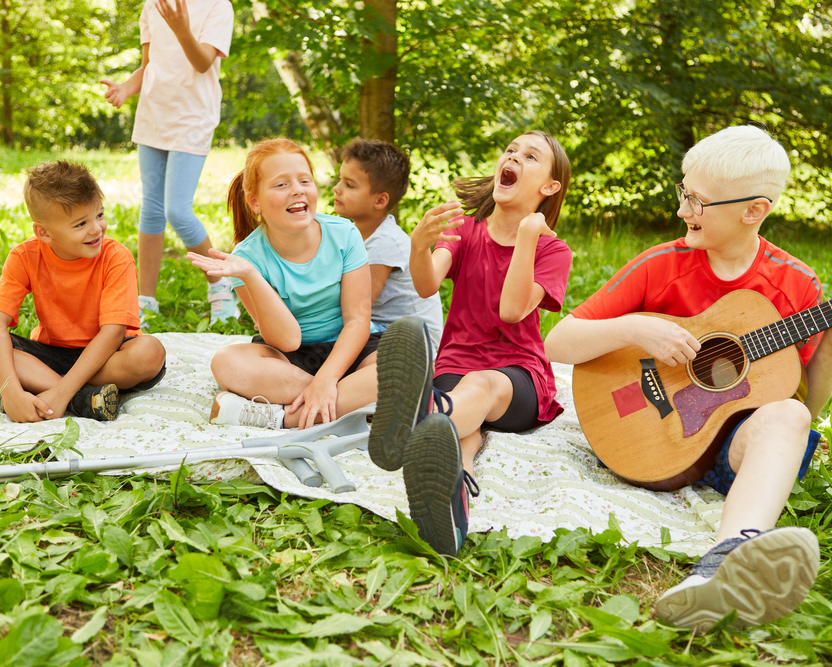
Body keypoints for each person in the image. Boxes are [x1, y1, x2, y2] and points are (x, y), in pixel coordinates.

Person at [544, 125, 832, 629]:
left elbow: (806, 408)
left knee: (790, 416)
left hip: (729, 443)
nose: (682, 210)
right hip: (646, 437)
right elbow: (557, 342)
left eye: (698, 201)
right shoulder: (661, 264)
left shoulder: (796, 284)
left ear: (753, 210)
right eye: (684, 192)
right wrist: (638, 328)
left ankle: (724, 563)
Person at [367, 130, 573, 557]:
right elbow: (426, 285)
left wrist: (529, 236)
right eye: (511, 150)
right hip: (456, 365)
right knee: (460, 428)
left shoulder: (552, 250)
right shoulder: (464, 228)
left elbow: (512, 311)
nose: (514, 157)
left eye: (530, 156)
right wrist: (420, 247)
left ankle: (415, 422)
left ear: (548, 188)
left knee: (480, 388)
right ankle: (451, 500)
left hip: (518, 375)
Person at [0, 161, 167, 424]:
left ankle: (66, 393)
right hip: (49, 356)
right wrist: (11, 393)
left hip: (107, 359)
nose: (96, 229)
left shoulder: (116, 257)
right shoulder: (24, 256)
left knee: (149, 353)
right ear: (43, 232)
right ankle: (83, 399)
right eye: (80, 224)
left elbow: (113, 333)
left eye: (99, 215)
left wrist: (60, 393)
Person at [188, 138, 380, 431]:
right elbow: (287, 340)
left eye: (305, 180)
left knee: (403, 366)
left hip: (350, 349)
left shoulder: (345, 235)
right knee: (227, 362)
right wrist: (251, 276)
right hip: (289, 360)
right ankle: (348, 401)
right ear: (255, 202)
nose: (297, 190)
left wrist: (328, 380)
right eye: (281, 185)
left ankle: (282, 418)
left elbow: (357, 321)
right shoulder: (245, 260)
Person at [100, 0, 237, 327]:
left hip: (192, 119)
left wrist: (180, 27)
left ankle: (220, 283)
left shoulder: (219, 7)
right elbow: (149, 65)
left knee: (177, 210)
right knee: (151, 208)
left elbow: (203, 62)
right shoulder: (152, 6)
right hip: (153, 118)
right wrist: (126, 88)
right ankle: (145, 299)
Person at [333, 138, 444, 349]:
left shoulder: (385, 242)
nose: (337, 189)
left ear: (380, 201)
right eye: (340, 180)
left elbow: (358, 305)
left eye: (349, 185)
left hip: (410, 346)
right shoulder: (351, 235)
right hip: (377, 332)